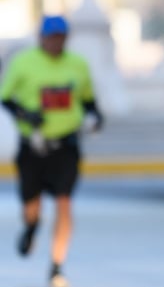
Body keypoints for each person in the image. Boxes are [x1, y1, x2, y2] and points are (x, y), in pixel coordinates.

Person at [1, 15, 105, 287]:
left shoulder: (77, 65)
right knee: (31, 204)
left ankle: (57, 267)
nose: (55, 42)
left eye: (60, 37)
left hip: (65, 146)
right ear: (41, 38)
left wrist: (96, 118)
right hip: (33, 146)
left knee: (64, 202)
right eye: (51, 37)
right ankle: (31, 226)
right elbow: (5, 98)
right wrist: (27, 115)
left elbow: (88, 101)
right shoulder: (23, 62)